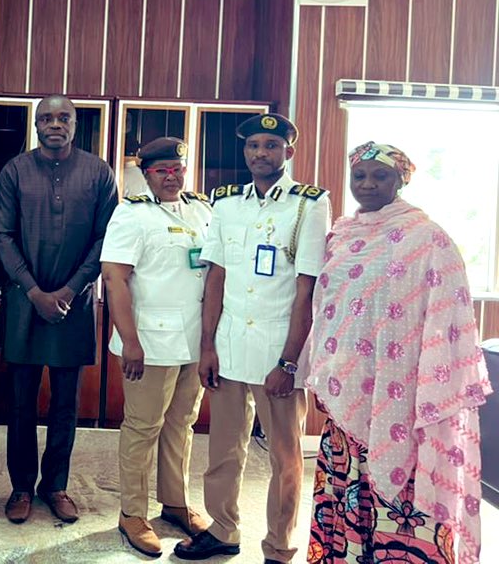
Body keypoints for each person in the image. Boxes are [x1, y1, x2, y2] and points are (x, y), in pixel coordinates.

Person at [306, 142, 492, 564]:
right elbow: (327, 311)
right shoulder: (341, 236)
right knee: (348, 484)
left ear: (401, 180)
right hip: (346, 396)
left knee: (402, 492)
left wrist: (429, 388)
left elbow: (451, 317)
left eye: (381, 176)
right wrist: (321, 370)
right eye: (360, 176)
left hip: (403, 402)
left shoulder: (427, 237)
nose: (368, 184)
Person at [175, 113, 331, 563]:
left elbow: (308, 288)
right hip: (228, 348)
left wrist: (288, 362)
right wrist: (207, 346)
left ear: (288, 151)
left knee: (285, 459)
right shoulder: (227, 203)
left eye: (269, 145)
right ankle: (223, 531)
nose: (260, 154)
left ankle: (280, 546)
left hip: (277, 352)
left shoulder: (308, 204)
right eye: (252, 146)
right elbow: (216, 278)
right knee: (223, 450)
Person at [0, 95, 118, 524]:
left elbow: (106, 239)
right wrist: (33, 290)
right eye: (46, 117)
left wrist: (69, 288)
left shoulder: (99, 172)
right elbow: (2, 235)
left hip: (75, 305)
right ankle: (22, 486)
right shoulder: (15, 171)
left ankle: (56, 485)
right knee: (21, 405)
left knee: (67, 405)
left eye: (63, 117)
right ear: (36, 125)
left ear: (75, 124)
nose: (54, 124)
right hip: (25, 303)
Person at [101, 137, 212, 557]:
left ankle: (176, 502)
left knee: (180, 425)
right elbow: (115, 277)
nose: (172, 177)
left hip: (192, 340)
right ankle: (132, 513)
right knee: (142, 427)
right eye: (162, 171)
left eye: (178, 170)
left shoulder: (201, 210)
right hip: (148, 342)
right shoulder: (131, 215)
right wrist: (130, 340)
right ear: (146, 174)